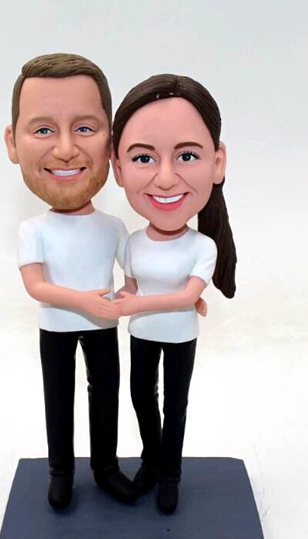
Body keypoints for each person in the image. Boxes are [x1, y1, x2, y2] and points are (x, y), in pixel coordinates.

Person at [4, 53, 136, 509]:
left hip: (104, 327)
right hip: (56, 327)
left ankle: (106, 467)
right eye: (43, 130)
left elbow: (135, 274)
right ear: (13, 143)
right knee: (58, 397)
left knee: (106, 394)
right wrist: (85, 301)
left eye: (84, 128)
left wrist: (138, 297)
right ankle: (60, 471)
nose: (64, 149)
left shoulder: (113, 228)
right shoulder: (32, 230)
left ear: (112, 141)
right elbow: (36, 287)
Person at [111, 74, 237, 513]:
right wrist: (109, 300)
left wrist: (137, 304)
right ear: (118, 168)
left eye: (186, 155)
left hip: (180, 335)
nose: (165, 179)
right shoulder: (132, 242)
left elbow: (186, 297)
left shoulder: (202, 247)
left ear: (217, 163)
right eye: (144, 158)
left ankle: (170, 474)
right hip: (142, 334)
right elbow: (130, 285)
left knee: (175, 405)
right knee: (141, 397)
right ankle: (151, 458)